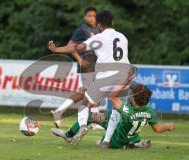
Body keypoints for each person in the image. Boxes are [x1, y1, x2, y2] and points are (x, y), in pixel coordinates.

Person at [49, 10, 132, 145]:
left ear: (99, 25)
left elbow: (79, 47)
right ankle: (106, 141)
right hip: (124, 76)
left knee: (85, 104)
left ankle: (82, 127)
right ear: (112, 22)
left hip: (107, 76)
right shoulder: (123, 37)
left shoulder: (99, 38)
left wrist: (57, 49)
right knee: (117, 109)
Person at [51, 83, 175, 149]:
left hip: (116, 134)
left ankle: (68, 135)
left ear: (133, 97)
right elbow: (158, 128)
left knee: (90, 119)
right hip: (132, 135)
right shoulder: (149, 110)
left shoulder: (126, 110)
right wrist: (167, 126)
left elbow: (113, 97)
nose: (129, 93)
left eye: (131, 93)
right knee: (102, 117)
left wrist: (122, 82)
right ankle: (133, 144)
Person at [50, 6, 100, 128]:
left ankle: (59, 111)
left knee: (83, 92)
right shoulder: (82, 30)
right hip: (87, 65)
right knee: (95, 92)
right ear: (85, 17)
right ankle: (94, 122)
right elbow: (70, 46)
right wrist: (80, 59)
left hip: (96, 65)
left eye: (94, 15)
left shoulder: (99, 29)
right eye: (89, 15)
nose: (92, 18)